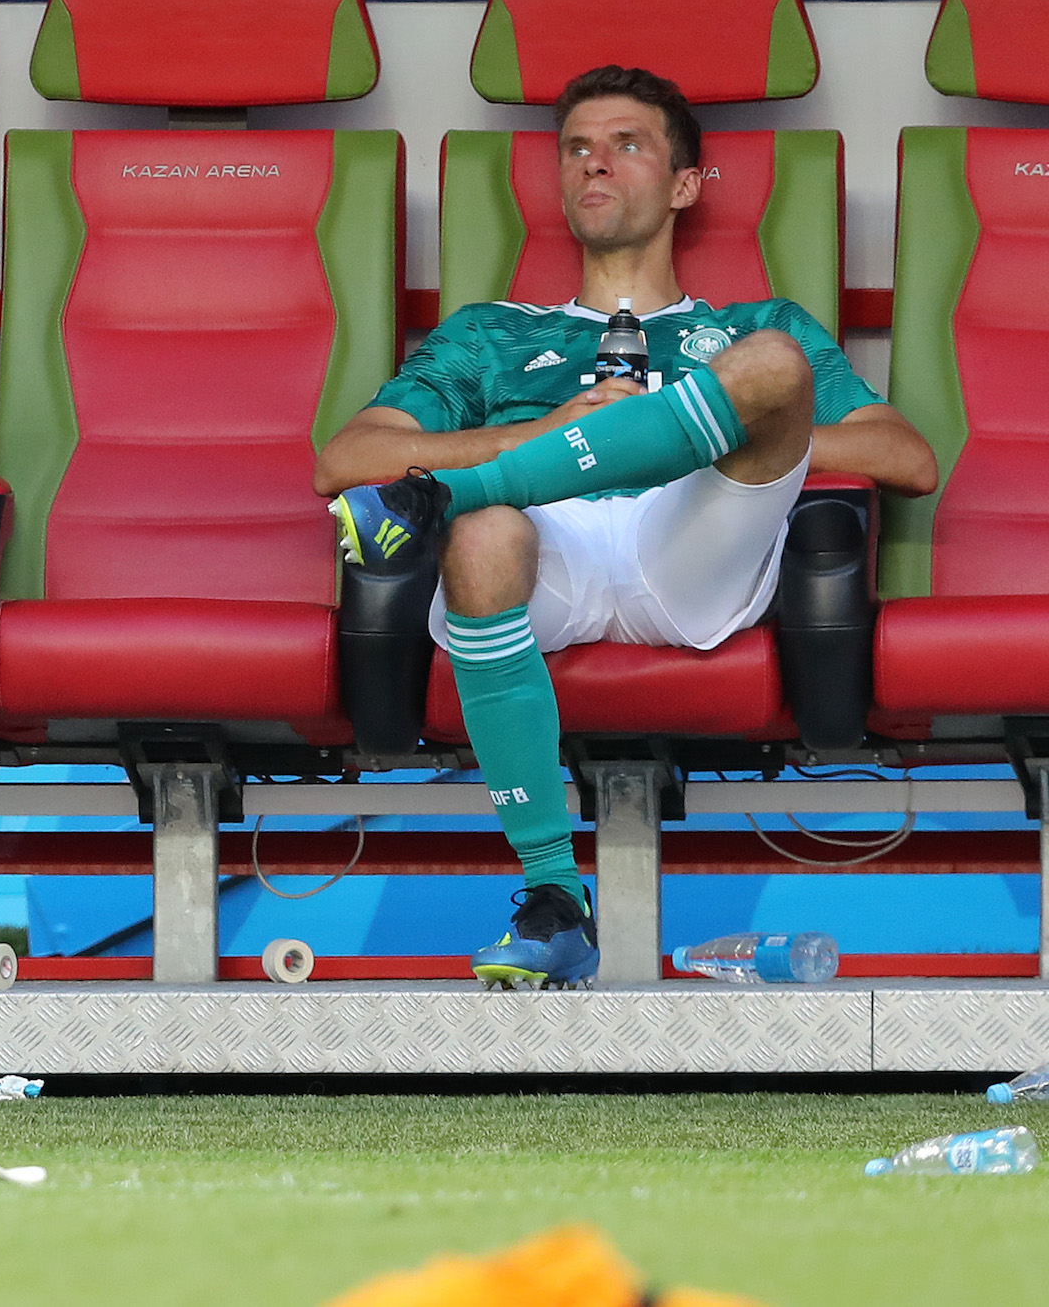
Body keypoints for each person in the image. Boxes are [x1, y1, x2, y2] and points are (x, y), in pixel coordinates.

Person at [319, 66, 937, 988]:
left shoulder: (748, 322)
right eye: (576, 149)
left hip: (690, 540)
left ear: (685, 184)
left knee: (770, 368)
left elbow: (910, 459)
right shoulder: (491, 333)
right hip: (544, 550)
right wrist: (553, 434)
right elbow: (348, 460)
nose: (593, 165)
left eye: (626, 144)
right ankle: (554, 900)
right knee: (482, 536)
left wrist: (686, 426)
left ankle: (472, 487)